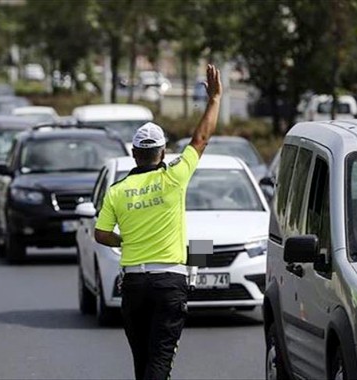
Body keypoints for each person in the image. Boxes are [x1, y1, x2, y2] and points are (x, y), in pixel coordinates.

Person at [94, 64, 222, 380]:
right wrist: (215, 99)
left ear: (135, 154)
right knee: (160, 361)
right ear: (162, 152)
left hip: (134, 285)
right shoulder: (174, 177)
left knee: (143, 362)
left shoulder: (117, 191)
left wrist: (124, 240)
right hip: (169, 284)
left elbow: (100, 234)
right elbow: (201, 138)